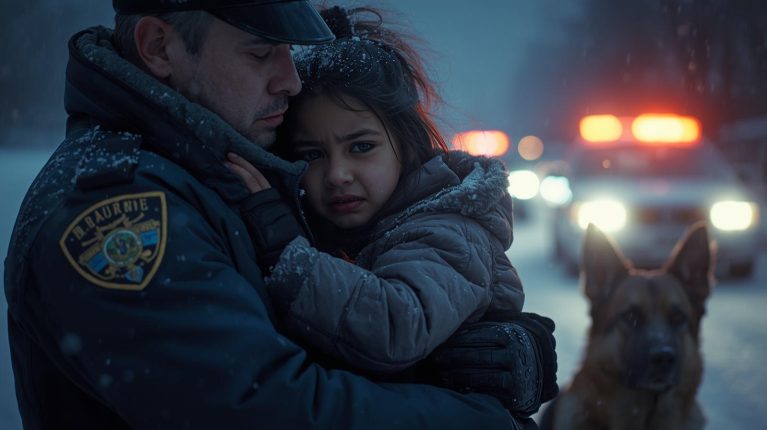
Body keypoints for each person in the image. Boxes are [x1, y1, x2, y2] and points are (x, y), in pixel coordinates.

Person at [3, 1, 553, 429]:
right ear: (158, 47)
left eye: (289, 51)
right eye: (261, 51)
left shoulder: (218, 167)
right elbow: (271, 410)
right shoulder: (116, 207)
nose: (289, 78)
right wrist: (476, 414)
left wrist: (462, 351)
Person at [225, 7, 557, 417]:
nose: (337, 174)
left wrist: (286, 253)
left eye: (361, 147)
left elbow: (394, 325)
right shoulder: (346, 227)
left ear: (405, 143)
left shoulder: (445, 227)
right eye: (312, 154)